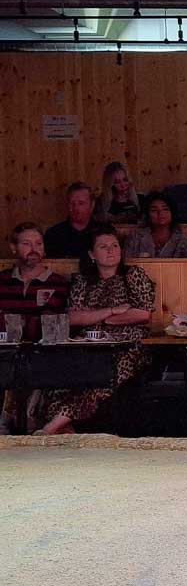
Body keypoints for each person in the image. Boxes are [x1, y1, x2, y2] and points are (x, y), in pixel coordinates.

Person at [39, 225, 155, 435]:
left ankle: (50, 429)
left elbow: (143, 314)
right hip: (87, 346)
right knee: (61, 376)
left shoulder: (133, 275)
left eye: (115, 245)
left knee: (99, 376)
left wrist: (99, 318)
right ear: (92, 254)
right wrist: (112, 311)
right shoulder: (82, 281)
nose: (111, 250)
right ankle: (66, 430)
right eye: (104, 247)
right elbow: (73, 317)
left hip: (127, 346)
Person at [0, 223, 69, 434]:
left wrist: (21, 322)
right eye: (26, 243)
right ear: (13, 248)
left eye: (38, 243)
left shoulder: (58, 283)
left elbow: (54, 322)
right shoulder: (2, 280)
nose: (34, 248)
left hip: (43, 352)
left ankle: (20, 419)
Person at [122, 192, 187, 259]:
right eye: (154, 210)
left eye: (165, 209)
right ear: (147, 214)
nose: (160, 213)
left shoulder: (184, 242)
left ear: (172, 213)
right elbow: (126, 263)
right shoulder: (135, 238)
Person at [44, 182, 99, 259]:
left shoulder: (103, 232)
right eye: (72, 203)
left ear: (92, 205)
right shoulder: (53, 234)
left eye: (81, 203)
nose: (75, 208)